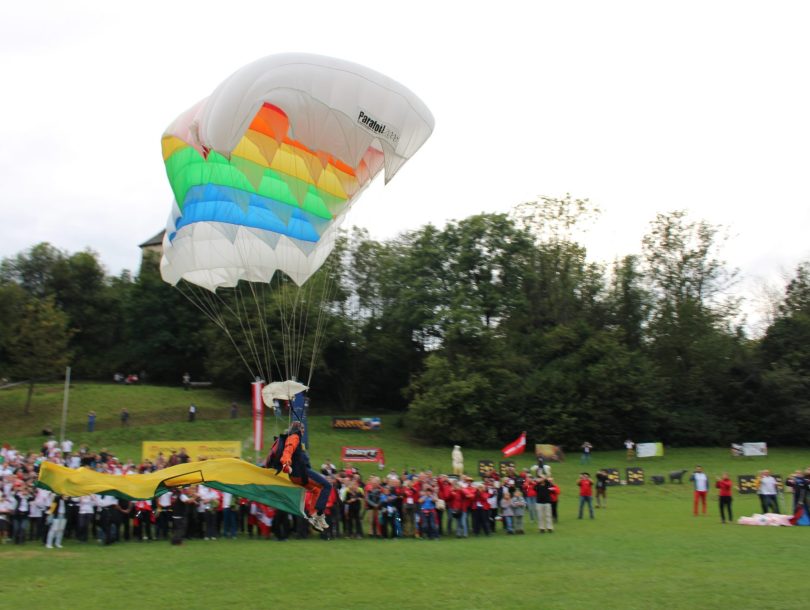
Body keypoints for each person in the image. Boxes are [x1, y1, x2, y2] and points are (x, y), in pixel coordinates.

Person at [270, 421, 332, 532]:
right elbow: (287, 451)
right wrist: (286, 464)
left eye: (304, 428)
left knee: (317, 490)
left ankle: (313, 516)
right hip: (300, 473)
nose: (303, 430)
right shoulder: (294, 437)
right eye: (302, 428)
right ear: (297, 429)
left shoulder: (294, 438)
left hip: (298, 475)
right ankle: (319, 515)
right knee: (327, 486)